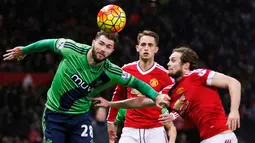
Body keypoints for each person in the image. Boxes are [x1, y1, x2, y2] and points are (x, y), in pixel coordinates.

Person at [2, 30, 170, 143]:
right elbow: (48, 43)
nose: (103, 49)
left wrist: (156, 96)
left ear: (112, 51)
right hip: (55, 115)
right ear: (93, 42)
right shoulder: (72, 49)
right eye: (101, 44)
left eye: (109, 47)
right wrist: (25, 50)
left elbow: (136, 82)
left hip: (80, 118)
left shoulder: (112, 71)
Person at [92, 46, 241, 143]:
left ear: (186, 65)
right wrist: (110, 104)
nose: (168, 63)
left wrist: (234, 111)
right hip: (207, 139)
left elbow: (234, 83)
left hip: (222, 136)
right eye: (169, 60)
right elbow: (141, 102)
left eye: (173, 60)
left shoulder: (199, 75)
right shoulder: (171, 91)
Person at [107, 30, 175, 143]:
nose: (146, 48)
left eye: (150, 45)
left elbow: (177, 96)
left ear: (156, 49)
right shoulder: (126, 70)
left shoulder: (164, 75)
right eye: (143, 45)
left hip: (155, 130)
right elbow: (118, 96)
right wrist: (110, 120)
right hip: (130, 130)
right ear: (137, 48)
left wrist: (172, 115)